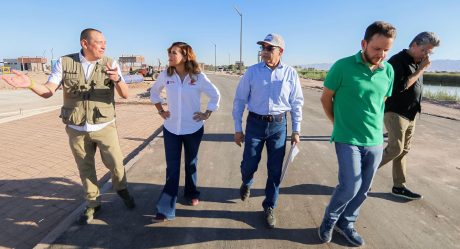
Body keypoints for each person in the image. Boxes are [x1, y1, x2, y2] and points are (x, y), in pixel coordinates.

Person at [0, 28, 135, 224]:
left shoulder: (110, 63)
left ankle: (121, 188)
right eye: (99, 42)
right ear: (84, 43)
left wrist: (118, 79)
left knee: (116, 164)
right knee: (85, 169)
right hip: (77, 128)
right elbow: (48, 90)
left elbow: (125, 94)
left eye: (105, 42)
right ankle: (93, 203)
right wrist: (29, 83)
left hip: (105, 126)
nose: (104, 45)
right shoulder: (64, 63)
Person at [318, 21, 396, 246]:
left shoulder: (388, 70)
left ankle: (347, 222)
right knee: (350, 185)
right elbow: (326, 98)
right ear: (364, 43)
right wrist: (338, 123)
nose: (381, 54)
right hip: (346, 138)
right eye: (376, 48)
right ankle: (329, 220)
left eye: (386, 50)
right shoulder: (342, 66)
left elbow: (381, 101)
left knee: (363, 189)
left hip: (374, 140)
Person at [232, 33, 304, 228]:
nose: (264, 51)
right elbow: (239, 100)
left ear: (280, 51)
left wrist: (296, 130)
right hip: (255, 123)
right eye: (263, 47)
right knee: (249, 164)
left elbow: (297, 103)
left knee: (275, 170)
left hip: (279, 126)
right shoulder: (252, 72)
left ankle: (269, 206)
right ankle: (247, 181)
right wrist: (238, 128)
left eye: (268, 48)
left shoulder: (290, 73)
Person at [150, 42, 220, 222]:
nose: (170, 56)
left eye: (174, 53)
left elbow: (215, 95)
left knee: (191, 163)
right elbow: (154, 92)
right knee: (172, 168)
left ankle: (191, 192)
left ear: (185, 55)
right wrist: (160, 111)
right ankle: (165, 209)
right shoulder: (166, 75)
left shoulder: (197, 76)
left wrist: (207, 113)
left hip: (193, 128)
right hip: (171, 128)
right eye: (170, 53)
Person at [379, 32, 440, 200]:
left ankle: (399, 186)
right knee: (395, 149)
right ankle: (362, 173)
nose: (426, 55)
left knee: (404, 150)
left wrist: (420, 67)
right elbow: (401, 87)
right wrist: (421, 70)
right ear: (413, 45)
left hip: (410, 113)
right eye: (424, 50)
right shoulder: (397, 61)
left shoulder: (418, 61)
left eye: (430, 52)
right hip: (395, 111)